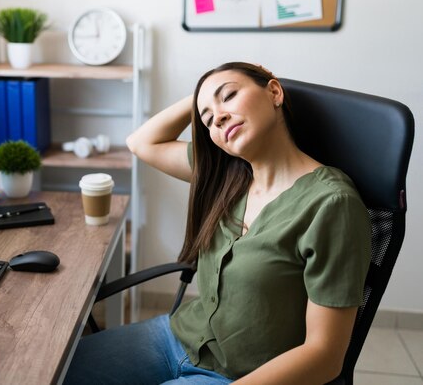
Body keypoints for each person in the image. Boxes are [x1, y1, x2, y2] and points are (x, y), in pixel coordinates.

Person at [63, 62, 371, 384]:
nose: (219, 117)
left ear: (274, 92)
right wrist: (201, 97)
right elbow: (141, 143)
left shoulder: (331, 204)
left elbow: (326, 356)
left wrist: (210, 98)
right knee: (55, 373)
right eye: (208, 119)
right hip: (177, 338)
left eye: (230, 96)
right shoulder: (226, 175)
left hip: (238, 376)